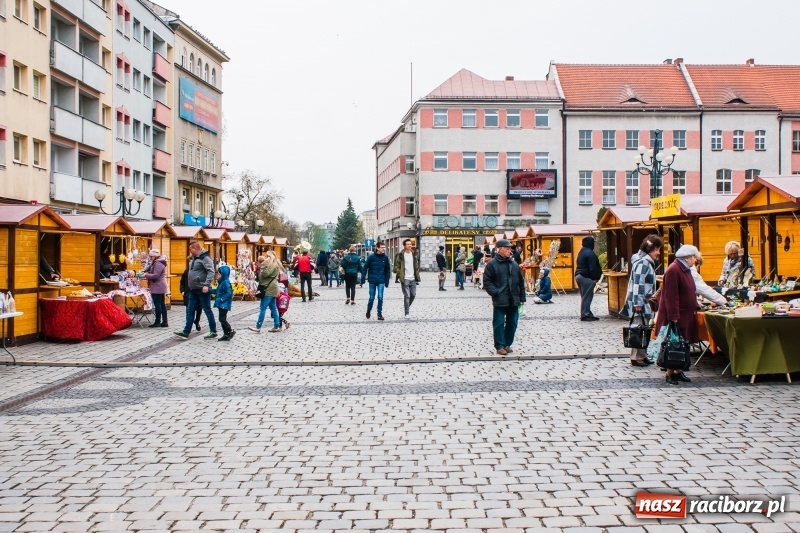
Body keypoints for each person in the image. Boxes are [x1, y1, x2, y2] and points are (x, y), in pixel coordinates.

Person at [656, 244, 700, 385]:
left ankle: (679, 372)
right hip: (677, 315)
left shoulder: (685, 269)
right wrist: (673, 316)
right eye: (694, 257)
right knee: (674, 345)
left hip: (686, 313)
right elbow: (671, 296)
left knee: (682, 344)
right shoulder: (674, 270)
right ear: (687, 258)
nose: (695, 259)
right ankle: (670, 373)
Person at [622, 235, 662, 366]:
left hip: (645, 301)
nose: (658, 253)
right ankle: (636, 357)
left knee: (645, 328)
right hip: (641, 302)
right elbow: (638, 284)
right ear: (650, 250)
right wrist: (637, 303)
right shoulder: (643, 263)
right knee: (638, 328)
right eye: (657, 249)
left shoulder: (644, 261)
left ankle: (642, 354)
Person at [483, 239, 526, 355]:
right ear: (500, 249)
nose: (509, 250)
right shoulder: (492, 264)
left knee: (512, 323)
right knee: (499, 323)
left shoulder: (514, 264)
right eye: (507, 248)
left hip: (514, 299)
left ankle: (507, 344)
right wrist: (496, 292)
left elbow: (521, 282)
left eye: (510, 248)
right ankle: (499, 346)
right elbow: (487, 281)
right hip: (500, 299)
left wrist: (522, 298)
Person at [174, 241, 217, 340]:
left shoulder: (205, 258)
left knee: (207, 310)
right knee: (190, 310)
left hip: (202, 289)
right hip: (193, 289)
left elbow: (211, 271)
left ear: (196, 248)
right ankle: (186, 331)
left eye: (190, 249)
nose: (189, 251)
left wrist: (206, 284)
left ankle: (213, 331)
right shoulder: (194, 258)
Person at [250, 253, 282, 333]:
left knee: (263, 308)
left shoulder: (272, 265)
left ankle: (258, 327)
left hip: (269, 289)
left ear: (269, 257)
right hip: (272, 288)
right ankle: (276, 326)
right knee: (273, 308)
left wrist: (263, 264)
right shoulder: (275, 264)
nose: (265, 258)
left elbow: (265, 274)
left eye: (266, 256)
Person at [574, 235, 602, 321]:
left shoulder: (582, 251)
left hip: (579, 275)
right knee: (587, 296)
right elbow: (592, 268)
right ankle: (585, 314)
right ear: (591, 244)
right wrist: (594, 278)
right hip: (586, 277)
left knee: (584, 296)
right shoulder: (590, 253)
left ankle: (588, 313)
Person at [361, 241, 391, 320]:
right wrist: (363, 278)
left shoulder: (385, 258)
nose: (384, 249)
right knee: (371, 297)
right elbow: (365, 267)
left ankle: (379, 314)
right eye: (382, 247)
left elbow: (387, 270)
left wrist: (387, 281)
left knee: (380, 297)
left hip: (381, 279)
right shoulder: (371, 257)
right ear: (377, 248)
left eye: (384, 247)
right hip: (372, 280)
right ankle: (368, 310)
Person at [394, 239, 421, 319]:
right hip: (405, 278)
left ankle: (407, 307)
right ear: (405, 246)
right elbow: (397, 266)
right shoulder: (401, 255)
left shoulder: (414, 254)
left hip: (413, 278)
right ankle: (407, 313)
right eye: (408, 244)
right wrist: (399, 273)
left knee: (413, 294)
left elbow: (415, 265)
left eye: (410, 244)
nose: (410, 245)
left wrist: (417, 273)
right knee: (407, 296)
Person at [143, 249, 168, 328]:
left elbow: (156, 275)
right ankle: (164, 322)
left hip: (158, 286)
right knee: (161, 304)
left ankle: (158, 321)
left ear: (155, 256)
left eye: (151, 257)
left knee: (158, 304)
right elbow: (149, 268)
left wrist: (146, 275)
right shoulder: (157, 262)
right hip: (159, 286)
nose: (150, 258)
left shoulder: (158, 263)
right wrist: (144, 270)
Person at [211, 265, 235, 341]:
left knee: (222, 319)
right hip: (222, 304)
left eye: (219, 273)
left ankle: (230, 330)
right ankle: (226, 334)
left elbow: (229, 293)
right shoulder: (222, 282)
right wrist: (209, 291)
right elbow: (218, 291)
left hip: (224, 304)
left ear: (223, 274)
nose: (218, 275)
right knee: (222, 318)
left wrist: (221, 299)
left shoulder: (225, 282)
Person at [179, 260, 202, 331]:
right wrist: (182, 290)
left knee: (199, 310)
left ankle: (197, 321)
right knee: (189, 311)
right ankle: (188, 327)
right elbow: (182, 281)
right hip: (188, 293)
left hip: (198, 294)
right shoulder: (187, 271)